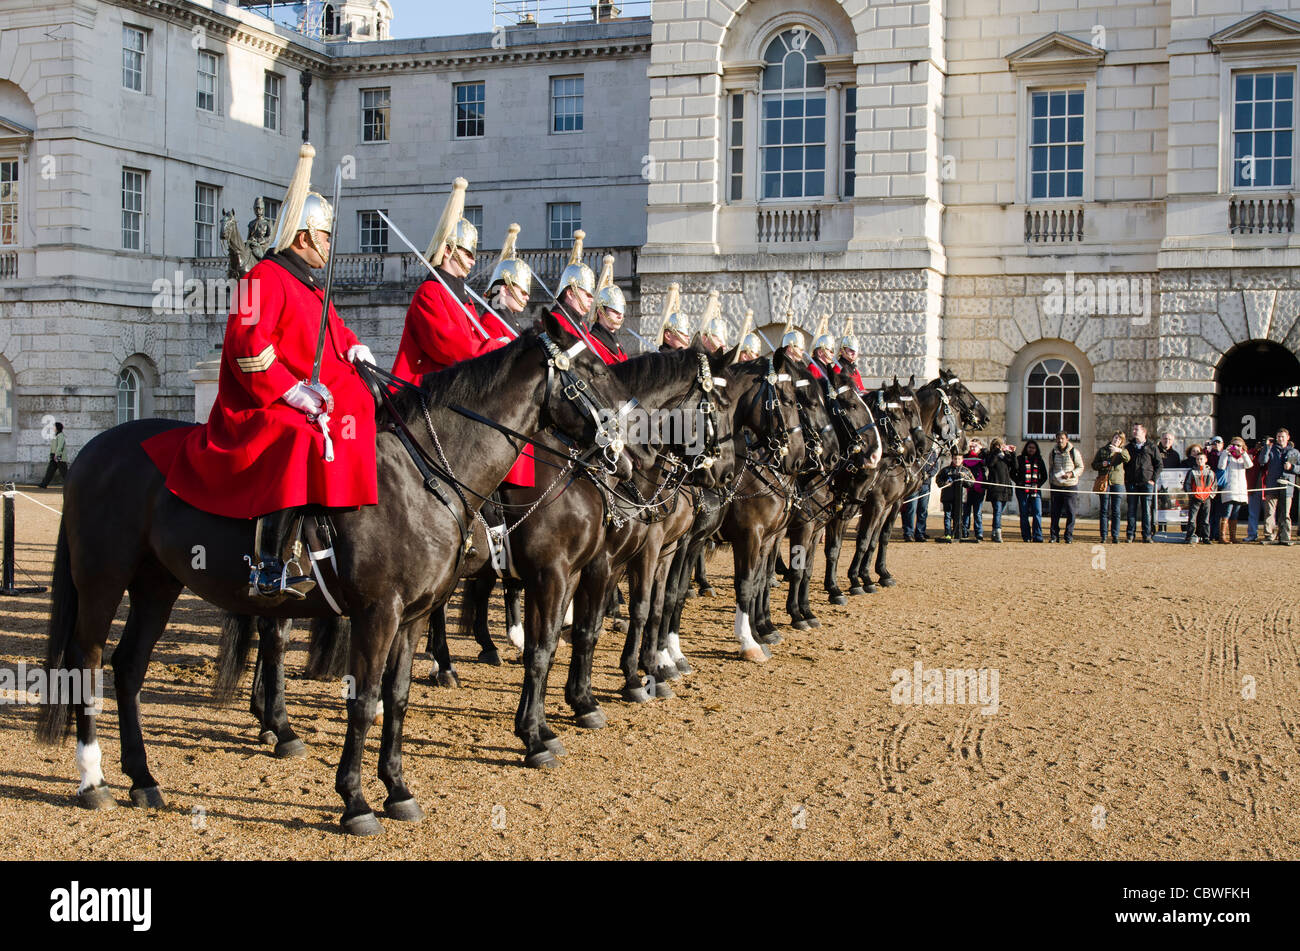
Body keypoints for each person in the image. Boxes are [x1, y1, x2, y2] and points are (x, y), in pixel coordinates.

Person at [142, 142, 378, 601]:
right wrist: (291, 392)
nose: (331, 245)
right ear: (303, 237)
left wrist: (357, 350)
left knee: (364, 410)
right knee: (298, 435)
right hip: (258, 403)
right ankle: (270, 563)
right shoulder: (263, 278)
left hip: (307, 393)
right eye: (325, 236)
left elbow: (336, 332)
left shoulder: (309, 285)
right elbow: (247, 346)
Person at [392, 185, 533, 489]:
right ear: (447, 250)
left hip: (451, 395)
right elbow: (450, 347)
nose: (472, 261)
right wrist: (495, 349)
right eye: (467, 253)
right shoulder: (429, 293)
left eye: (473, 254)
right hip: (424, 395)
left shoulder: (464, 300)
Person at [1259, 428, 1300, 545]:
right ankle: (1269, 536)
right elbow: (1262, 460)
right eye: (1278, 437)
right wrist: (1266, 447)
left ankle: (1285, 536)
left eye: (1282, 437)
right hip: (1272, 485)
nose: (1280, 439)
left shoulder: (1295, 452)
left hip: (1287, 487)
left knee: (1285, 513)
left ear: (1288, 437)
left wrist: (1292, 467)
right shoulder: (1271, 449)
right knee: (1270, 513)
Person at [1123, 423, 1162, 542]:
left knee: (1146, 510)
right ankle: (1130, 534)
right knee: (1131, 510)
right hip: (1132, 483)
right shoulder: (1129, 447)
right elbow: (1124, 463)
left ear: (1143, 432)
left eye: (1136, 430)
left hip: (1147, 483)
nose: (1134, 432)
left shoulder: (1152, 446)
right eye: (1133, 429)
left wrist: (1153, 480)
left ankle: (1147, 534)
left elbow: (1159, 465)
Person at [1092, 430, 1129, 544]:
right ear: (1112, 438)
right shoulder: (1103, 450)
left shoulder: (1123, 451)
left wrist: (1119, 450)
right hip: (1105, 482)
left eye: (1119, 439)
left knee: (1116, 510)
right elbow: (1094, 465)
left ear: (1121, 441)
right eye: (1115, 438)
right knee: (1104, 510)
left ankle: (1115, 535)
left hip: (1117, 482)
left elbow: (1127, 458)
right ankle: (1103, 535)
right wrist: (1101, 464)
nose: (1116, 440)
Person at [1048, 430, 1084, 543]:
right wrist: (1052, 481)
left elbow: (1080, 467)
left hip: (1070, 486)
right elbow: (1051, 468)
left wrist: (1071, 474)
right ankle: (1054, 536)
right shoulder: (1052, 453)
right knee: (1055, 513)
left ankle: (1068, 536)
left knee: (1071, 512)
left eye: (1062, 438)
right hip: (1056, 486)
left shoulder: (1074, 452)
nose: (1060, 440)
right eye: (1058, 438)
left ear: (1067, 439)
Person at [980, 437, 1017, 543]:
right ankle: (998, 532)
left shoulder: (1006, 456)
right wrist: (996, 452)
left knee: (999, 512)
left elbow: (1015, 466)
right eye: (999, 445)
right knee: (997, 510)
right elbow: (990, 464)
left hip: (1005, 487)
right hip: (995, 487)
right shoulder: (991, 455)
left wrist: (1013, 453)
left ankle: (994, 531)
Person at [1216, 435, 1252, 544]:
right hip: (1229, 487)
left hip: (1240, 489)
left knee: (1235, 514)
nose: (1236, 447)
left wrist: (1243, 453)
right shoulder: (1227, 455)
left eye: (1238, 445)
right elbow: (1221, 466)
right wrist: (1225, 453)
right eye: (1234, 445)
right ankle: (1222, 536)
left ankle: (1233, 536)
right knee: (1227, 512)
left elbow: (1249, 465)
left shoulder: (1242, 457)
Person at [935, 449, 973, 543]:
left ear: (962, 460)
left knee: (960, 516)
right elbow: (938, 480)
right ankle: (948, 534)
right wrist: (945, 483)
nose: (957, 461)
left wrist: (965, 479)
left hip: (961, 499)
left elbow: (972, 483)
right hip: (948, 497)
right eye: (955, 459)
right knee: (947, 515)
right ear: (952, 459)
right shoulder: (946, 470)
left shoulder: (966, 471)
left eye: (959, 459)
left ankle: (961, 533)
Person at [1013, 439, 1047, 542]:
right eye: (1029, 447)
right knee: (1024, 513)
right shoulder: (1020, 459)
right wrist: (1018, 482)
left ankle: (1037, 536)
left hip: (1035, 491)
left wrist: (1038, 484)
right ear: (1026, 448)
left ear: (1036, 449)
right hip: (1022, 490)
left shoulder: (1039, 460)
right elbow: (1013, 472)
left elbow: (1044, 476)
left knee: (1037, 512)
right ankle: (1026, 536)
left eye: (1033, 448)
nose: (1031, 449)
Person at [1183, 450, 1215, 544]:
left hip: (1207, 498)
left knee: (1205, 519)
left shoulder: (1210, 472)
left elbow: (1214, 485)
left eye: (1201, 459)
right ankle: (1189, 537)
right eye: (1197, 459)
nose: (1199, 461)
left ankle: (1206, 538)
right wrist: (1192, 495)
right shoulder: (1192, 472)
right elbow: (1187, 484)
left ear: (1206, 460)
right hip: (1195, 498)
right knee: (1192, 519)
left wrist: (1211, 496)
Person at [960, 438, 987, 542]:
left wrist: (982, 449)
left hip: (979, 488)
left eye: (975, 446)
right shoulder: (966, 457)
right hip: (967, 488)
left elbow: (988, 460)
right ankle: (965, 532)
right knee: (966, 512)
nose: (972, 448)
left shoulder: (982, 456)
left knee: (977, 512)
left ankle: (979, 533)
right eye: (971, 446)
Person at [1156, 432, 1180, 531]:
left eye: (1169, 439)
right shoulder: (1155, 451)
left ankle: (1164, 529)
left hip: (1169, 485)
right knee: (1155, 506)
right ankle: (1154, 530)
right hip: (1157, 484)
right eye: (1165, 439)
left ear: (1172, 441)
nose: (1167, 441)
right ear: (1161, 439)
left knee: (1166, 506)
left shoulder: (1175, 455)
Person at [1245, 438, 1266, 542]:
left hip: (1267, 489)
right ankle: (1252, 534)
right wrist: (1255, 450)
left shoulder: (1271, 452)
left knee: (1269, 514)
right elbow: (1247, 462)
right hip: (1253, 487)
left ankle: (1269, 535)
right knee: (1252, 513)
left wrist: (1267, 448)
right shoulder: (1253, 453)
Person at [1205, 435, 1225, 540]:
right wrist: (1206, 448)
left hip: (1221, 485)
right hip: (1210, 485)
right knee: (1210, 511)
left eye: (1218, 442)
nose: (1216, 445)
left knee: (1219, 512)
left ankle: (1217, 533)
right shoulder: (1208, 454)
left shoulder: (1225, 454)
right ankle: (1209, 533)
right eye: (1214, 443)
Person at [38, 421, 69, 488]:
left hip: (59, 456)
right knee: (50, 471)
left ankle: (70, 484)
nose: (53, 428)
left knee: (64, 472)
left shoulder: (61, 435)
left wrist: (56, 455)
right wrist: (52, 455)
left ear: (57, 428)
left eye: (54, 427)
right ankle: (44, 484)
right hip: (54, 456)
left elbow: (60, 446)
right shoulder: (56, 435)